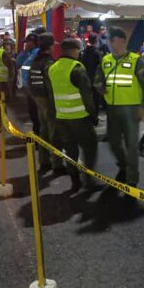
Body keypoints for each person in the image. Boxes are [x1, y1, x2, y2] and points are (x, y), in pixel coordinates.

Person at [94, 27, 144, 188]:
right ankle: (123, 166)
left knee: (131, 145)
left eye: (111, 40)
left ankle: (132, 179)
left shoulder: (135, 60)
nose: (109, 43)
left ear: (121, 40)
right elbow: (98, 79)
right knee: (113, 143)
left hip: (132, 109)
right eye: (108, 40)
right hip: (112, 109)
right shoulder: (105, 60)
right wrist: (99, 86)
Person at [49, 38, 101, 193]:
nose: (79, 53)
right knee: (90, 147)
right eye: (78, 50)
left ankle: (75, 181)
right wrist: (93, 115)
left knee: (71, 151)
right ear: (72, 50)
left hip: (62, 118)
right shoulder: (77, 68)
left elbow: (52, 94)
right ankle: (89, 180)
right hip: (80, 118)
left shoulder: (53, 68)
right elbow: (87, 96)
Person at [28, 33, 66, 175]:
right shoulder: (49, 63)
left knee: (43, 131)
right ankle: (58, 165)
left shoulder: (35, 62)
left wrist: (36, 97)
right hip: (48, 100)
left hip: (38, 99)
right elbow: (52, 86)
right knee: (54, 132)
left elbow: (30, 83)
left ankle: (44, 161)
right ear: (51, 46)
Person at [16, 33, 41, 136]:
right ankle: (37, 138)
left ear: (33, 43)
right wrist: (25, 52)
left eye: (27, 42)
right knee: (33, 114)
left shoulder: (37, 53)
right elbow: (18, 63)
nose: (26, 44)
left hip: (36, 88)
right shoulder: (28, 53)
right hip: (29, 88)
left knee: (37, 115)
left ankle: (40, 140)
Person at [81, 33, 102, 117]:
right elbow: (100, 65)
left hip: (87, 78)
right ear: (96, 40)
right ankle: (95, 117)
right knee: (96, 99)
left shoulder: (85, 52)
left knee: (89, 99)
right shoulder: (96, 52)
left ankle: (90, 116)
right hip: (96, 78)